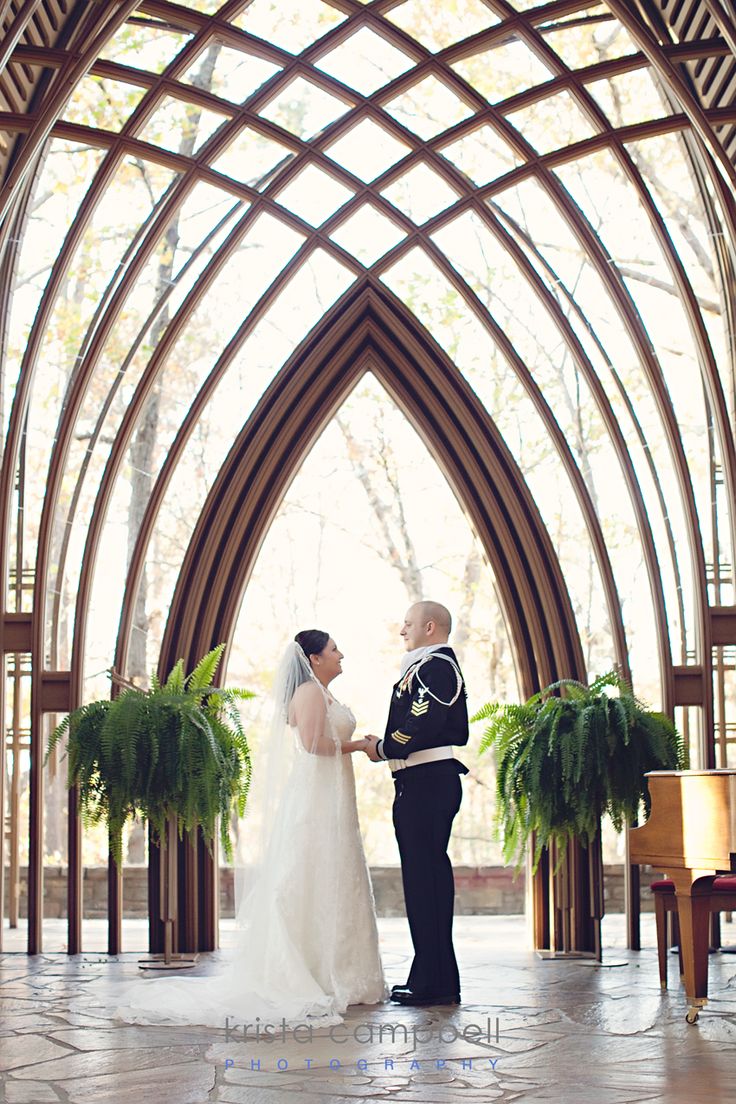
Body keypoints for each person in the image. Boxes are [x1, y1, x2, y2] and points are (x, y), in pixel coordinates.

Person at [72, 631, 387, 1029]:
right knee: (311, 872)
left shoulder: (323, 693)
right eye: (334, 649)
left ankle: (348, 972)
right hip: (318, 795)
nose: (342, 655)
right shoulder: (308, 692)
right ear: (314, 657)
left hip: (335, 792)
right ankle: (314, 972)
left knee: (337, 873)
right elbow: (311, 745)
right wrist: (359, 746)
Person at [363, 601, 469, 1007]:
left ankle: (434, 982)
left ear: (429, 626)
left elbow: (422, 722)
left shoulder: (435, 666)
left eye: (407, 624)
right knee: (426, 884)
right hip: (421, 781)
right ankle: (433, 976)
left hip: (427, 782)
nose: (401, 630)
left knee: (426, 884)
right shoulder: (425, 665)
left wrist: (384, 747)